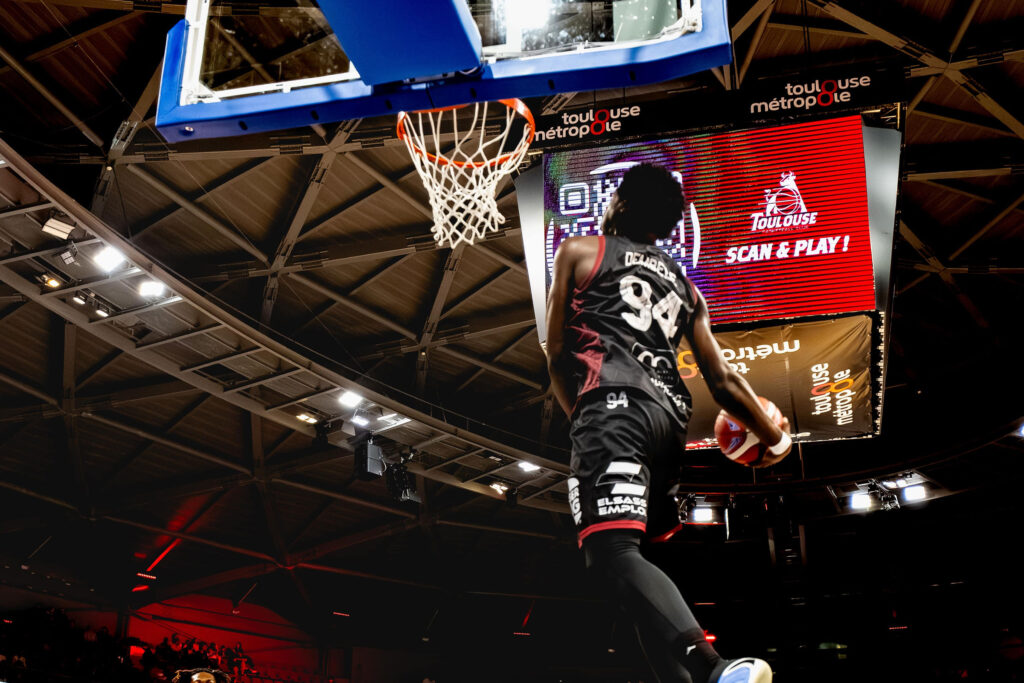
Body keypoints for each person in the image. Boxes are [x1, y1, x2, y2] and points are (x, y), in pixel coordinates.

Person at [545, 163, 792, 683]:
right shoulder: (686, 288)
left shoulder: (580, 251)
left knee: (610, 553)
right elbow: (722, 379)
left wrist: (585, 419)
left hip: (611, 412)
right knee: (631, 579)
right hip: (668, 425)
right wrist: (776, 437)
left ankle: (714, 668)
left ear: (619, 203)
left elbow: (556, 356)